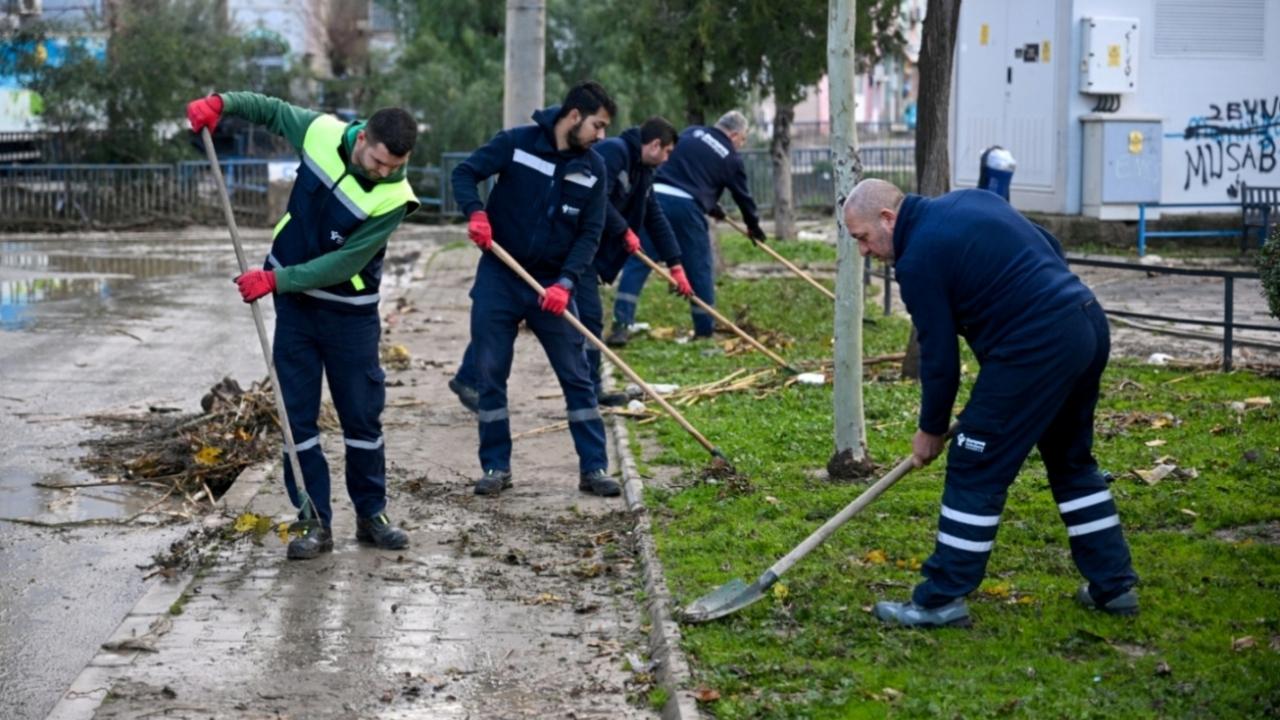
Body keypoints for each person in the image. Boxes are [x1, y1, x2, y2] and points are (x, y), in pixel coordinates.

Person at [842, 179, 1139, 628]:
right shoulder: (969, 199)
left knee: (973, 463)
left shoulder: (918, 260)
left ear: (888, 219)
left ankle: (941, 598)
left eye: (862, 238)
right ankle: (1114, 586)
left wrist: (931, 429)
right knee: (1070, 459)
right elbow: (1049, 244)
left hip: (1034, 347)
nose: (864, 251)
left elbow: (939, 358)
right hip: (1084, 322)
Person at [186, 92, 420, 560]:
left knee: (361, 419)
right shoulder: (320, 133)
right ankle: (314, 519)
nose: (383, 173)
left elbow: (346, 261)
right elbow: (272, 111)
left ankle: (371, 514)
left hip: (349, 318)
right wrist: (222, 103)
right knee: (297, 420)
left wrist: (276, 279)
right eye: (377, 162)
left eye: (394, 166)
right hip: (296, 312)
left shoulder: (395, 196)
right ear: (363, 138)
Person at [450, 81, 620, 498]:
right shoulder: (517, 144)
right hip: (500, 275)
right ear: (575, 115)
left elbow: (591, 234)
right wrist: (475, 213)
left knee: (577, 377)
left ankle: (594, 468)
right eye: (597, 125)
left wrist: (566, 282)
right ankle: (496, 467)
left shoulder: (593, 168)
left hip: (553, 284)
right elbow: (465, 173)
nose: (601, 136)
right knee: (490, 374)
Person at [606, 111, 764, 345]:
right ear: (733, 134)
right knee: (698, 268)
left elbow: (682, 171)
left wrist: (710, 204)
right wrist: (753, 226)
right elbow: (743, 197)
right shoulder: (730, 157)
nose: (741, 145)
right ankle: (704, 330)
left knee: (637, 263)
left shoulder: (690, 133)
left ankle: (621, 325)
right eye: (742, 139)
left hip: (655, 197)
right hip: (687, 210)